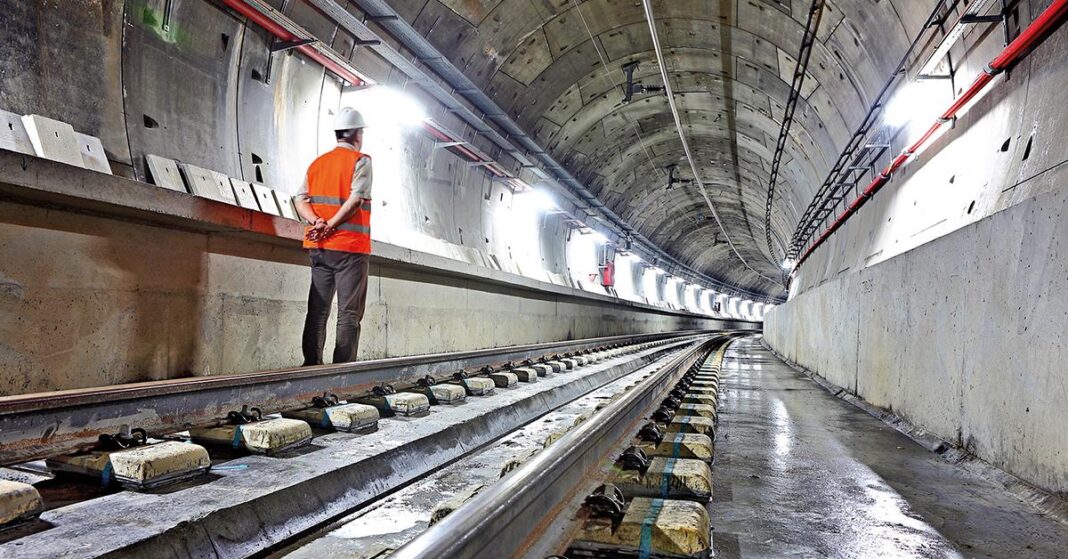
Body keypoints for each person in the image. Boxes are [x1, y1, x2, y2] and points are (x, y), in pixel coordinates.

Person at [294, 107, 374, 365]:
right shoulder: (361, 161)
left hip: (319, 248)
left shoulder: (317, 164)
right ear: (356, 134)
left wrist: (315, 221)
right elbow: (356, 200)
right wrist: (330, 224)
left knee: (317, 311)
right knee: (349, 314)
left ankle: (311, 366)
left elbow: (300, 199)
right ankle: (342, 372)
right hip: (349, 248)